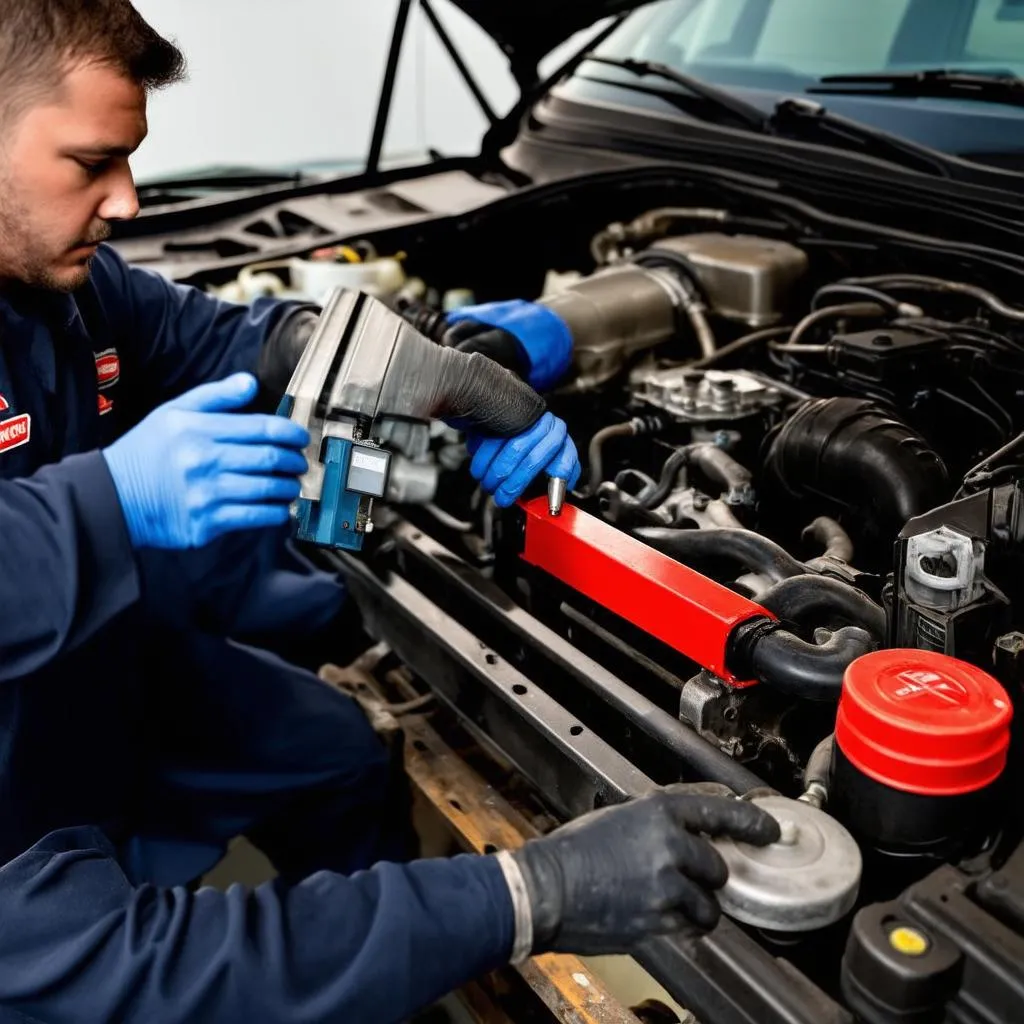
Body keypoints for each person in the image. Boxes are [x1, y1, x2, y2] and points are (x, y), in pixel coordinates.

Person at [0, 3, 782, 1021]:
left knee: (335, 758)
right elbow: (155, 964)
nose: (130, 200)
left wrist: (438, 374)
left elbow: (237, 340)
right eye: (91, 162)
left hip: (86, 679)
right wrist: (525, 894)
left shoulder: (66, 288)